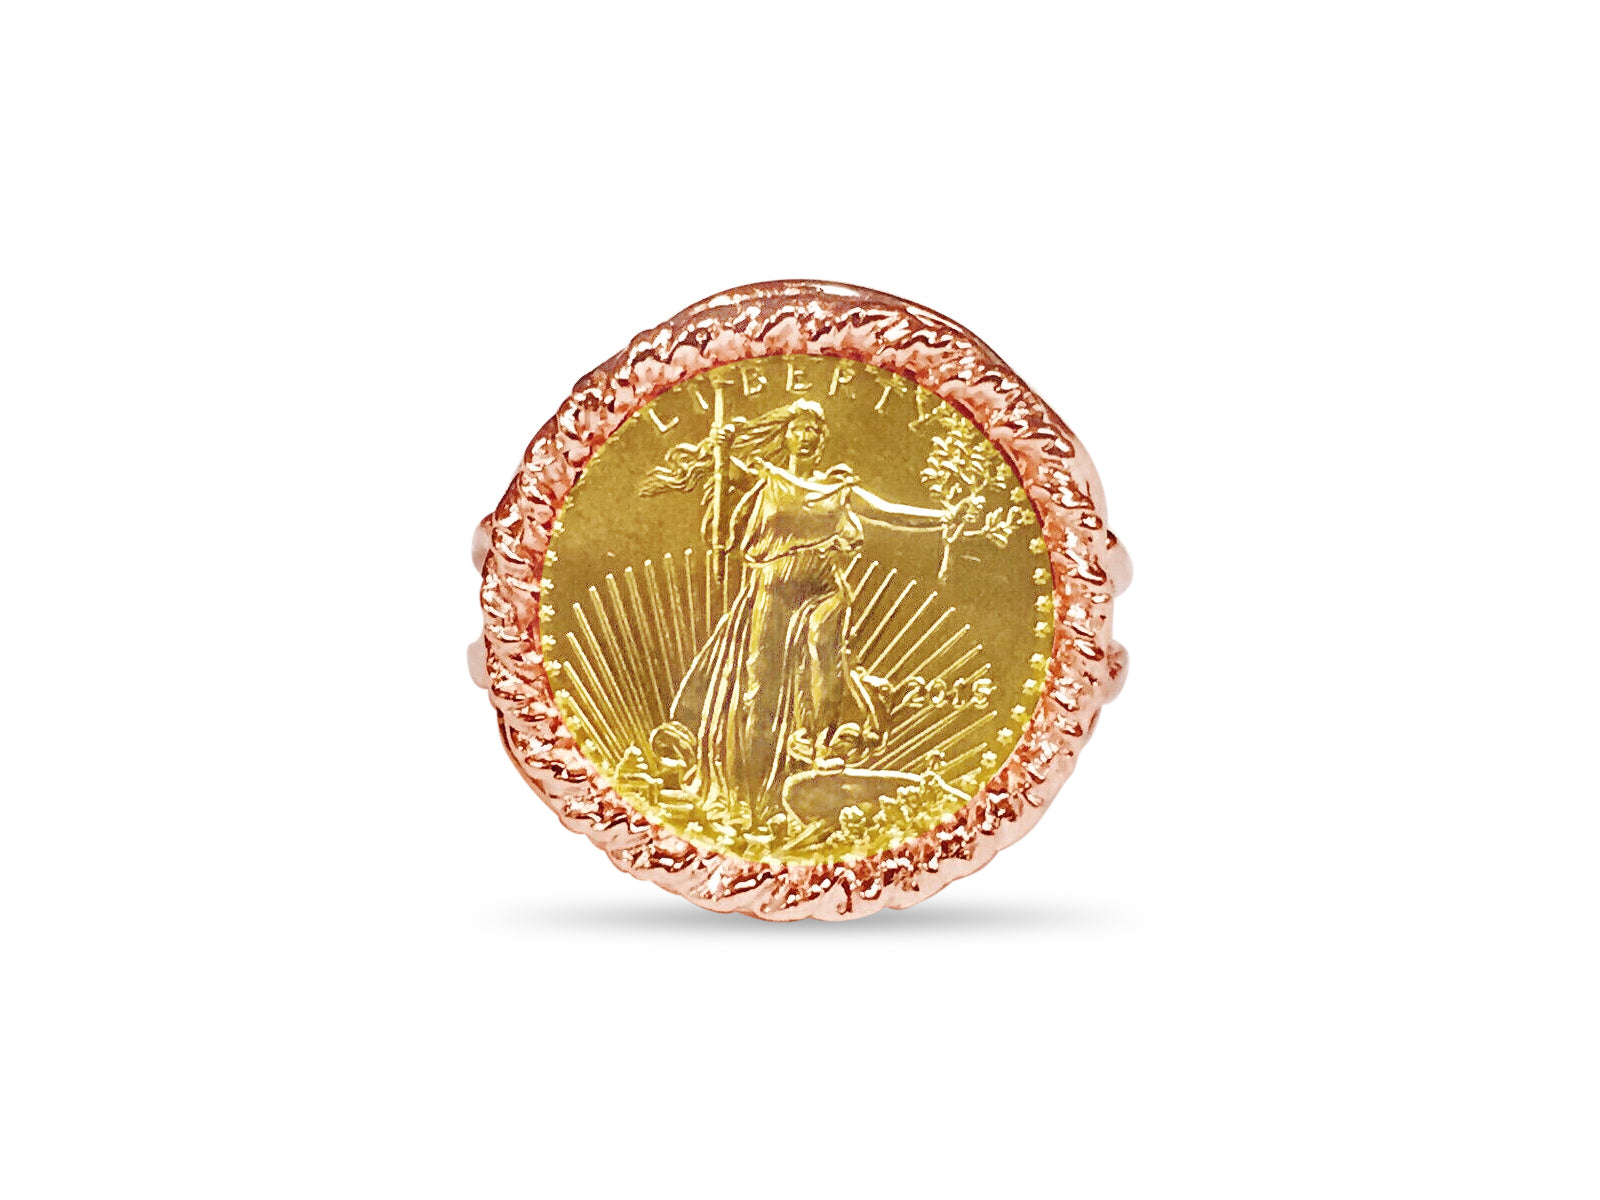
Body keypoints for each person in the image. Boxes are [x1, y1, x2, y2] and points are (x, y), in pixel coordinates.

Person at [640, 399, 948, 827]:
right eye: (799, 428)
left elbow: (889, 513)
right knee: (758, 688)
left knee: (824, 660)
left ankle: (818, 746)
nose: (806, 437)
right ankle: (750, 795)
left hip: (823, 590)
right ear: (784, 436)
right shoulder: (765, 479)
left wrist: (944, 518)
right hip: (771, 593)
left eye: (814, 431)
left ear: (822, 441)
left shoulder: (838, 490)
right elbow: (721, 477)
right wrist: (720, 446)